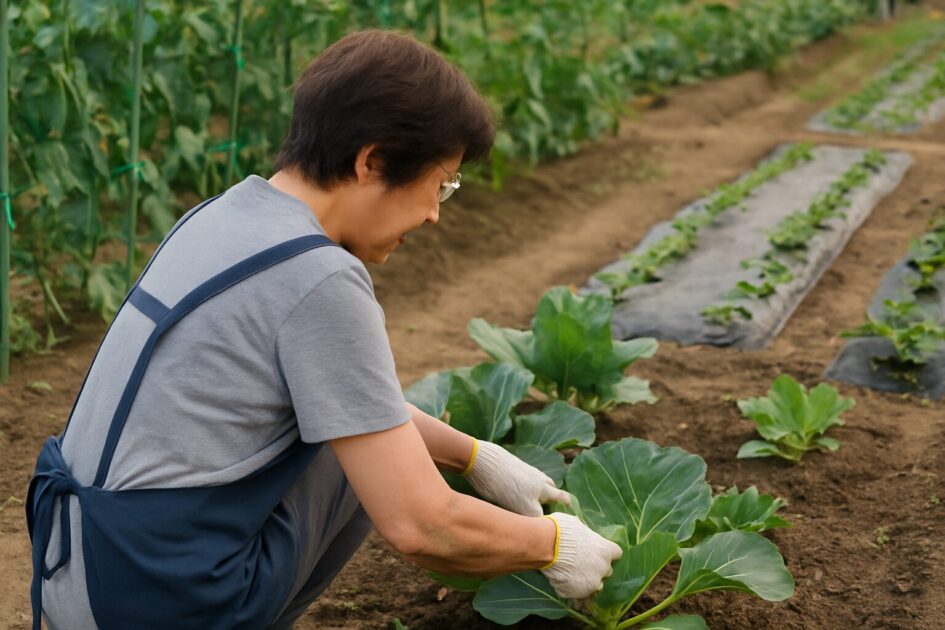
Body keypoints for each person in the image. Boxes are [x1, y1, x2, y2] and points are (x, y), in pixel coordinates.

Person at [26, 30, 621, 630]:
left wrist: (474, 456)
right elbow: (422, 524)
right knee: (361, 466)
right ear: (373, 160)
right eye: (440, 184)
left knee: (354, 438)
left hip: (77, 565)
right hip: (157, 596)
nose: (436, 212)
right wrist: (552, 545)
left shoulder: (223, 215)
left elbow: (350, 402)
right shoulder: (318, 277)